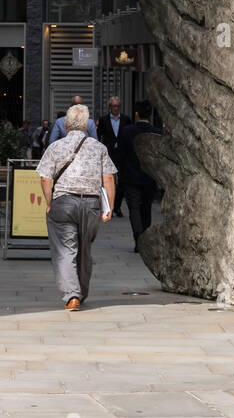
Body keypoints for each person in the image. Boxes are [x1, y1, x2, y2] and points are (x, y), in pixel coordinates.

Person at [36, 104, 116, 310]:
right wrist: (110, 207)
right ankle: (81, 292)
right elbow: (108, 178)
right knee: (84, 249)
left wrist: (49, 202)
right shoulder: (99, 147)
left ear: (65, 124)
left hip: (63, 202)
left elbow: (45, 178)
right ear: (87, 125)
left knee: (65, 250)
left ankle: (72, 295)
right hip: (91, 204)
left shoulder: (55, 147)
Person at [119, 100, 164, 252]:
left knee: (133, 208)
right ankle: (144, 235)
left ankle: (139, 236)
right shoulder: (157, 133)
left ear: (136, 114)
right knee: (146, 208)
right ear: (150, 115)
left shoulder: (126, 131)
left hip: (131, 176)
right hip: (149, 177)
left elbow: (121, 155)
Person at [97, 96, 131, 217]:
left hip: (122, 153)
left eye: (118, 106)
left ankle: (117, 206)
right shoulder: (103, 120)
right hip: (109, 153)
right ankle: (107, 207)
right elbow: (99, 135)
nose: (116, 108)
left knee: (122, 181)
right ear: (110, 107)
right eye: (114, 106)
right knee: (106, 180)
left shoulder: (126, 119)